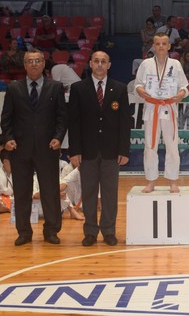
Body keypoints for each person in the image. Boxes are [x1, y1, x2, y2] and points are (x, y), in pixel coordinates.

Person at [0, 49, 68, 246]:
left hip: (48, 148)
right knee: (22, 192)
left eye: (38, 60)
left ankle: (51, 231)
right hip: (20, 149)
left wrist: (58, 137)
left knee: (50, 191)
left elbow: (62, 117)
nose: (34, 64)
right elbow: (6, 118)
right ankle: (23, 232)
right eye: (30, 61)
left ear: (44, 64)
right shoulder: (14, 88)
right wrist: (8, 139)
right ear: (24, 65)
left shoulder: (55, 87)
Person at [68, 51, 131, 246]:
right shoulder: (78, 88)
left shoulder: (119, 88)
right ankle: (90, 232)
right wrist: (75, 151)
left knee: (110, 193)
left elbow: (125, 122)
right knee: (88, 192)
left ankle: (109, 231)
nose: (100, 64)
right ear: (90, 64)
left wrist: (124, 150)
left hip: (112, 151)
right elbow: (73, 122)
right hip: (87, 151)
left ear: (109, 65)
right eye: (96, 61)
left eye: (103, 61)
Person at [135, 34, 188, 194]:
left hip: (169, 108)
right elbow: (137, 84)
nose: (161, 47)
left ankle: (173, 181)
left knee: (172, 145)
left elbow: (184, 87)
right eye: (157, 44)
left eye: (164, 44)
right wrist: (141, 91)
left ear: (169, 46)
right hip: (152, 109)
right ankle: (151, 181)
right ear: (153, 45)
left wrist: (181, 94)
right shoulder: (146, 64)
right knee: (150, 146)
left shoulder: (175, 64)